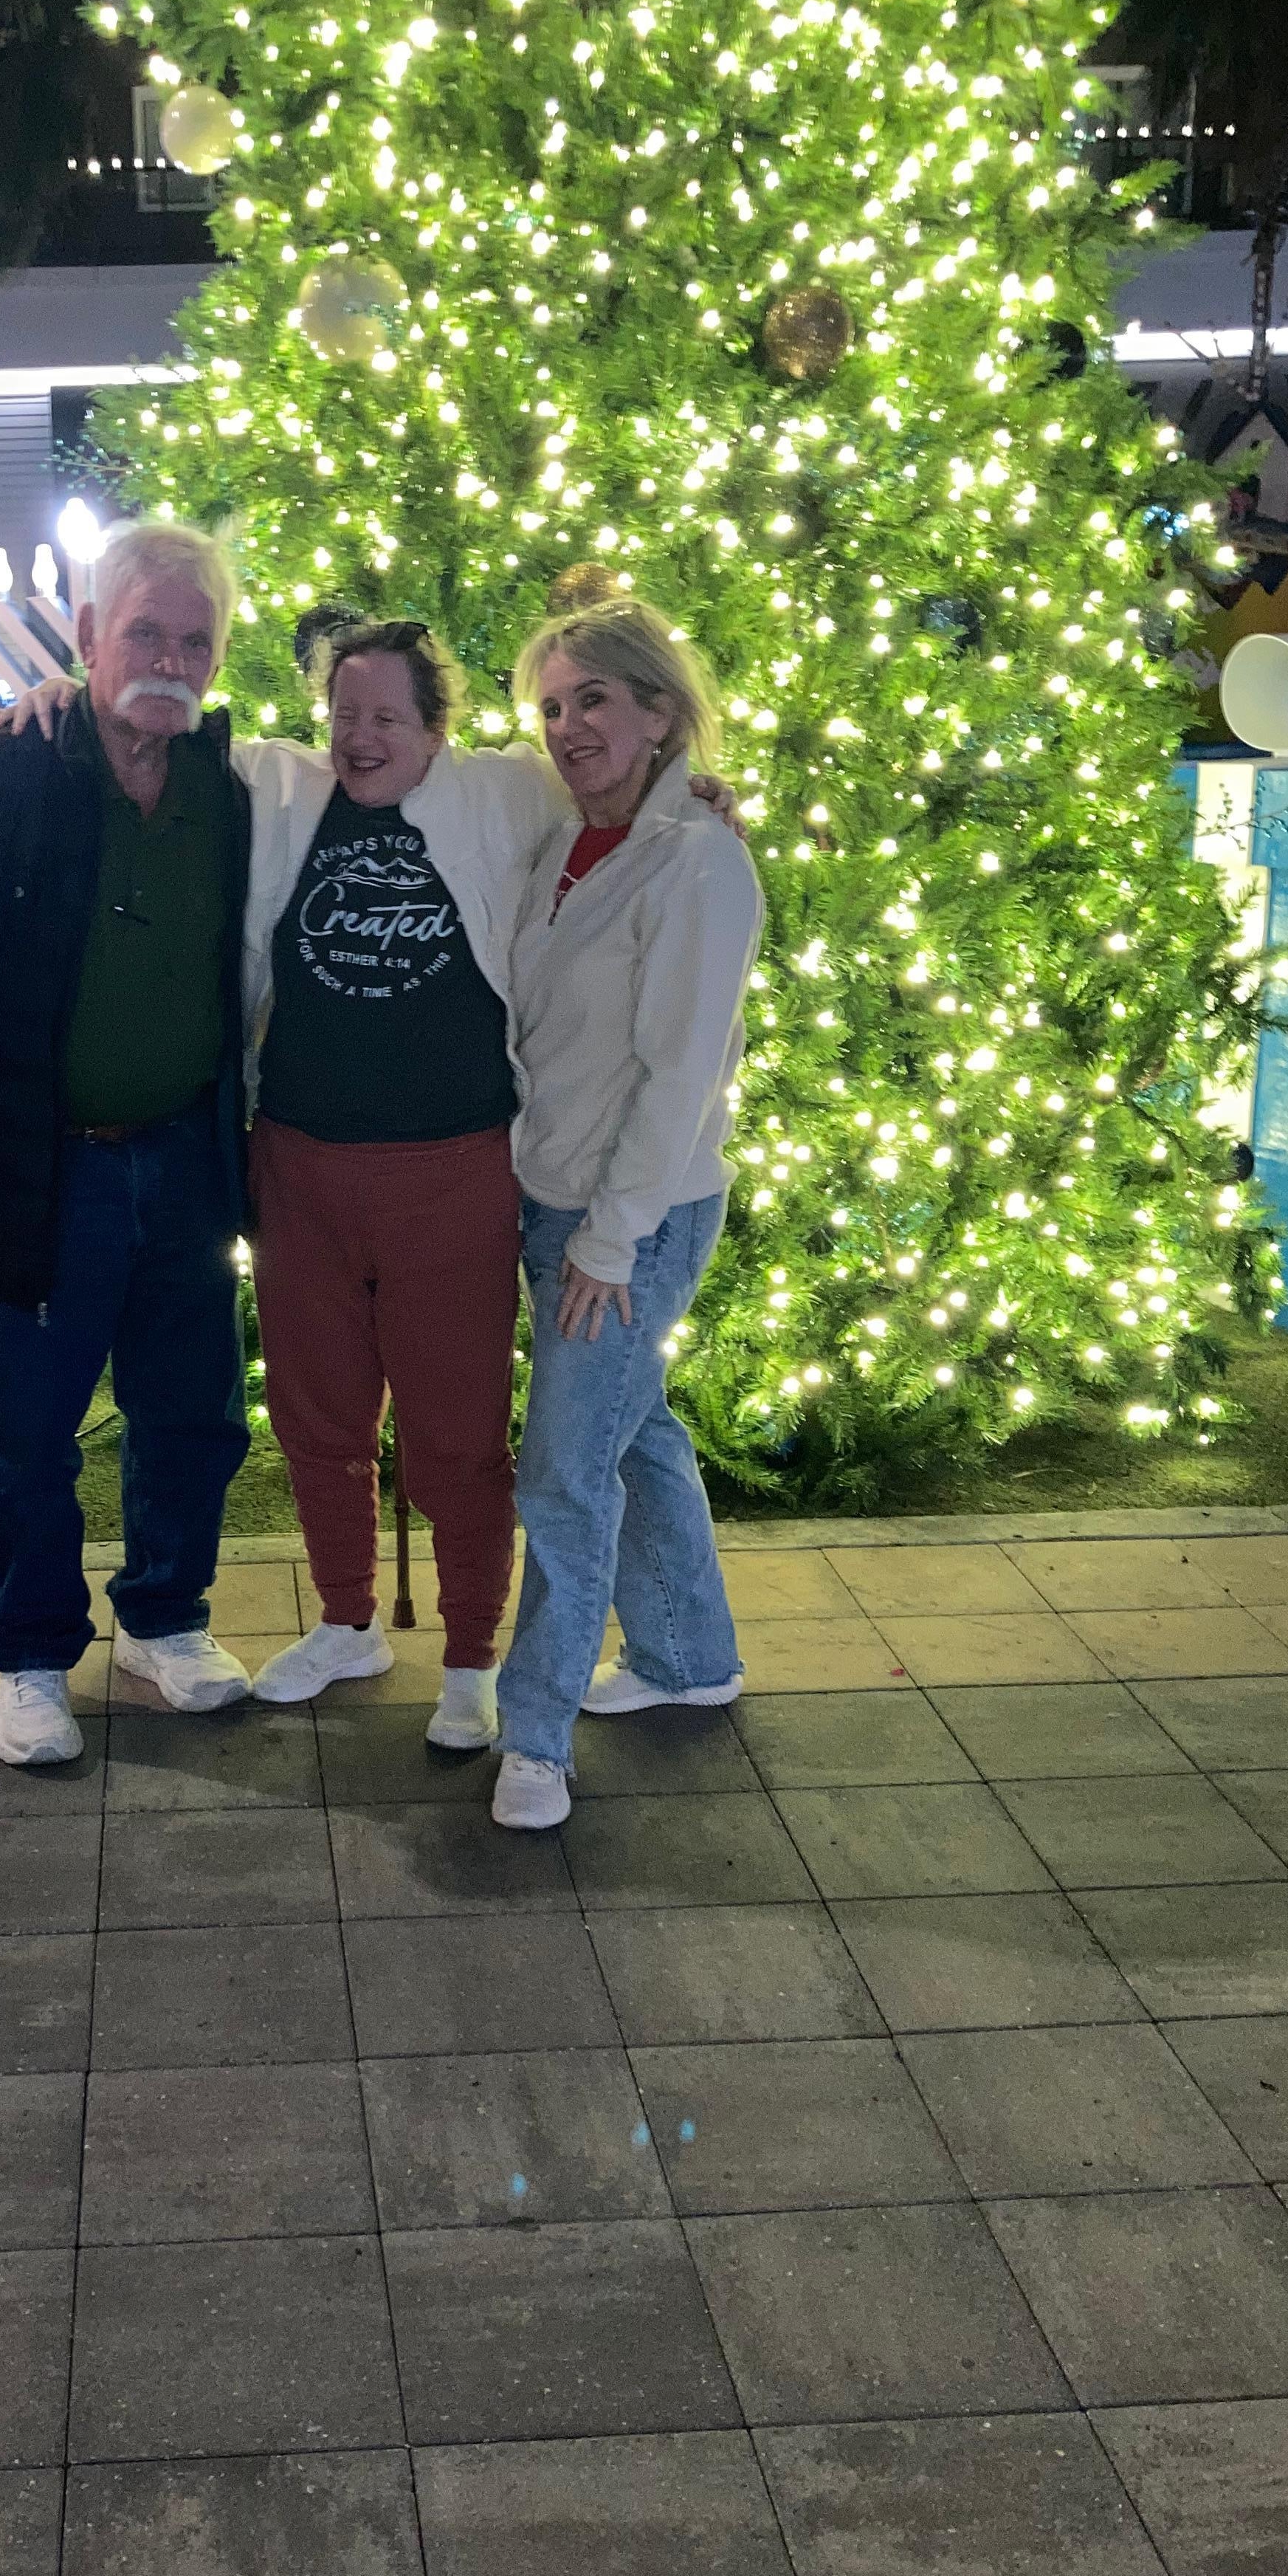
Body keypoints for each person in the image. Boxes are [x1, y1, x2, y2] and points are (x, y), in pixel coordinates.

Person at [0, 612, 737, 1749]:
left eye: (388, 716)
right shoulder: (281, 787)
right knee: (316, 1416)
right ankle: (348, 1623)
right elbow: (157, 725)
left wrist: (700, 797)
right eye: (345, 714)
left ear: (438, 728)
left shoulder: (507, 791)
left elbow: (626, 797)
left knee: (461, 1435)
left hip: (458, 1174)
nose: (361, 736)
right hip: (299, 1167)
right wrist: (65, 692)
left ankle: (473, 1657)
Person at [0, 521, 258, 1768]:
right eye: (145, 632)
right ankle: (29, 1656)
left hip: (187, 1162)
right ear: (85, 636)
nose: (170, 660)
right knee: (23, 1431)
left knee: (188, 1411)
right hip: (32, 1168)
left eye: (195, 640)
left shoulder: (237, 788)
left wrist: (681, 792)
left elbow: (415, 773)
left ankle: (164, 1620)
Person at [490, 585, 765, 1831]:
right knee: (629, 1430)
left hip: (632, 1216)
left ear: (659, 713)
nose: (566, 727)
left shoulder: (696, 861)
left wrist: (607, 1243)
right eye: (551, 707)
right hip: (554, 1198)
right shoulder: (562, 839)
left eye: (593, 699)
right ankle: (687, 1654)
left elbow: (679, 1074)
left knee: (563, 1472)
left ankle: (533, 1736)